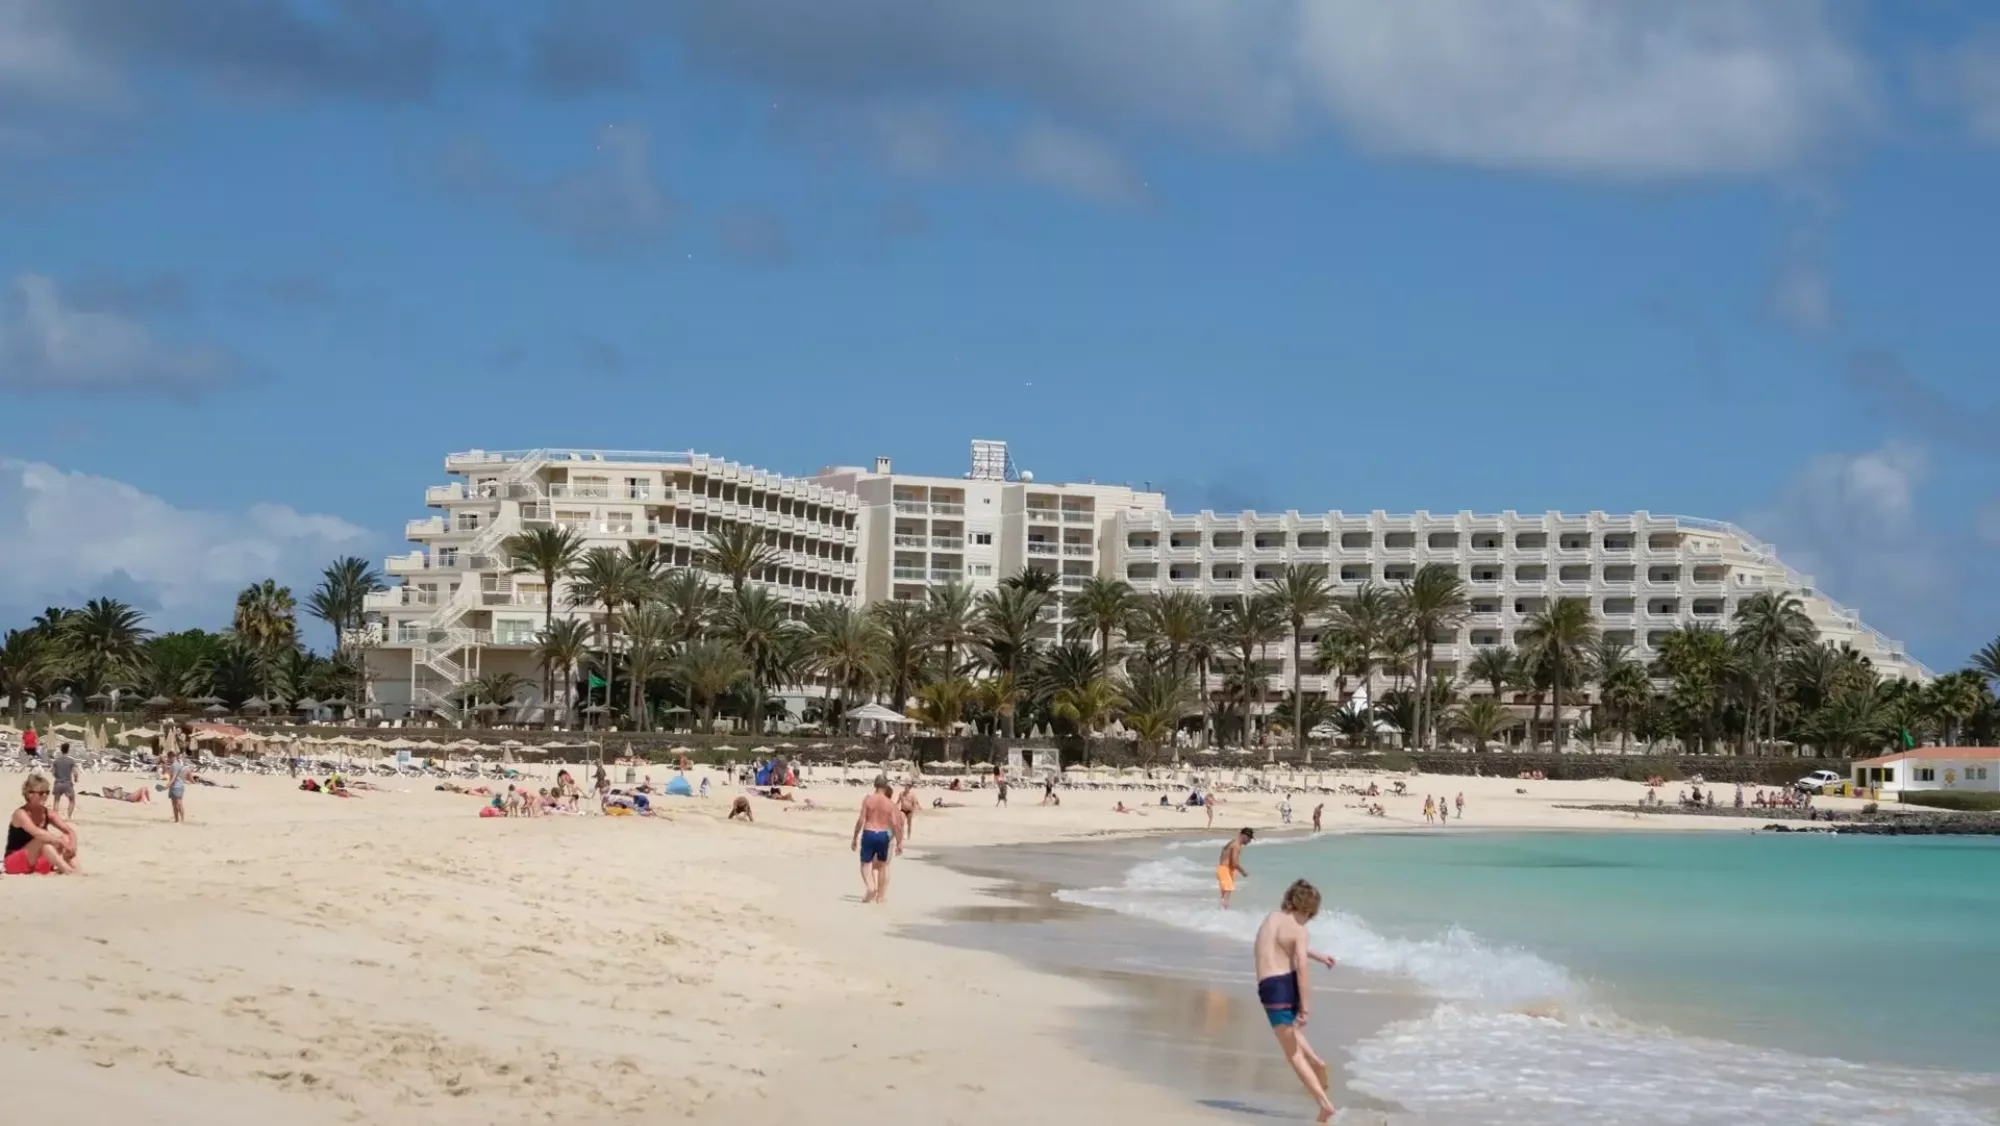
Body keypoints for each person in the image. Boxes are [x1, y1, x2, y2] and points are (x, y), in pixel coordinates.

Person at [1253, 880, 1340, 1122]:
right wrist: (1305, 1007)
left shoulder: (1272, 917)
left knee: (1292, 1054)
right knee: (1290, 1031)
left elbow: (1288, 950)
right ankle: (1316, 1062)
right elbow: (1300, 965)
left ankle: (1325, 1105)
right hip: (1282, 986)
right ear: (1307, 910)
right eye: (1311, 915)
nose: (1309, 921)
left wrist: (1316, 956)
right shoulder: (1300, 931)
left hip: (1270, 988)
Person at [7, 773, 79, 875]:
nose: (45, 795)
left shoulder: (48, 813)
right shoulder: (20, 814)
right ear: (29, 794)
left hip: (38, 860)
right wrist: (61, 843)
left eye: (47, 792)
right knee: (44, 839)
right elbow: (38, 833)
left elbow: (69, 830)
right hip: (16, 862)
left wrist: (72, 845)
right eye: (41, 793)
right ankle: (67, 870)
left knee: (66, 837)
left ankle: (76, 869)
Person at [851, 776, 904, 905]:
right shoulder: (890, 803)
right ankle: (880, 897)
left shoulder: (868, 800)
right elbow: (896, 824)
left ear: (874, 785)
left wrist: (855, 837)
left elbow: (861, 820)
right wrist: (899, 842)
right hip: (883, 835)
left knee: (865, 863)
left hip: (869, 832)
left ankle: (870, 887)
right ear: (885, 787)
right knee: (882, 866)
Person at [1216, 827, 1254, 908]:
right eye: (1250, 839)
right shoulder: (1236, 845)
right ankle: (1223, 913)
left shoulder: (1233, 842)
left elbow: (1224, 853)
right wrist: (1243, 871)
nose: (1250, 841)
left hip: (1225, 869)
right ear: (1245, 836)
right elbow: (1234, 863)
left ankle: (1221, 913)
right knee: (1227, 892)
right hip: (1225, 870)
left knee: (1225, 895)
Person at [50, 741, 78, 819]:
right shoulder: (71, 761)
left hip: (58, 783)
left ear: (61, 750)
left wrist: (58, 777)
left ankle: (55, 817)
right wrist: (76, 779)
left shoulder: (56, 761)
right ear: (68, 750)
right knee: (72, 800)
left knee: (56, 801)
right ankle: (68, 817)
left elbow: (53, 773)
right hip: (67, 783)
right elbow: (75, 772)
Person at [166, 750, 194, 823]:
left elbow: (174, 777)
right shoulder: (173, 765)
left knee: (178, 804)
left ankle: (181, 819)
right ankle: (177, 820)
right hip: (174, 786)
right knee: (174, 804)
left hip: (177, 786)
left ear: (172, 757)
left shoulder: (175, 765)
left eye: (168, 758)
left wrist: (168, 784)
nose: (168, 759)